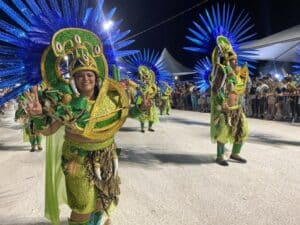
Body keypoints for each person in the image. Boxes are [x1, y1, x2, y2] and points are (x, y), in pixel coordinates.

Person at [26, 29, 131, 225]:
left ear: (96, 76)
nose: (85, 79)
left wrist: (143, 102)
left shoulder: (110, 98)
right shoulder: (66, 103)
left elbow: (128, 112)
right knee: (82, 205)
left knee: (102, 200)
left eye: (89, 74)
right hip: (77, 159)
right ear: (73, 79)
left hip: (106, 155)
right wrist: (39, 115)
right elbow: (48, 131)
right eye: (80, 75)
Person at [210, 36, 249, 166]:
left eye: (236, 60)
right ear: (227, 61)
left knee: (242, 129)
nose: (235, 62)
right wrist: (222, 103)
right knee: (223, 131)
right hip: (225, 107)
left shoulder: (238, 73)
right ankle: (220, 156)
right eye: (232, 60)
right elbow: (216, 89)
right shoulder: (222, 71)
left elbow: (240, 90)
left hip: (237, 107)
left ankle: (235, 153)